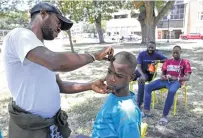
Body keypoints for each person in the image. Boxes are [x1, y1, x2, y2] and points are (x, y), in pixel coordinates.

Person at [2, 2, 114, 138]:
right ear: (43, 14)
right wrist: (94, 56)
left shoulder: (42, 53)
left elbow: (59, 85)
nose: (60, 28)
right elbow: (56, 62)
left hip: (51, 127)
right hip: (31, 130)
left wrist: (89, 85)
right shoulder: (19, 35)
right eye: (58, 22)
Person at [92, 51, 141, 138]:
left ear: (131, 78)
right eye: (109, 72)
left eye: (119, 76)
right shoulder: (115, 94)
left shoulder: (127, 112)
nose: (111, 79)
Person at [143, 45, 192, 124]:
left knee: (171, 91)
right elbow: (163, 73)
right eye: (174, 51)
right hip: (165, 80)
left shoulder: (185, 62)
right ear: (172, 52)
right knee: (147, 87)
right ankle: (146, 111)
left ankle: (164, 116)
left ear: (181, 52)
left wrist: (177, 78)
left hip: (176, 81)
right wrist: (162, 76)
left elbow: (187, 77)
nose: (175, 53)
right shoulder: (168, 61)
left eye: (177, 51)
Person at [135, 41, 167, 109]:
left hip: (149, 74)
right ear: (147, 47)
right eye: (149, 47)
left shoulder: (156, 54)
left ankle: (139, 103)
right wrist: (142, 74)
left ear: (155, 48)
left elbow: (167, 59)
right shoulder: (142, 54)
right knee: (127, 76)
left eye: (152, 47)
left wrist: (158, 61)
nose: (150, 49)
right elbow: (138, 66)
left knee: (141, 80)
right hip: (140, 71)